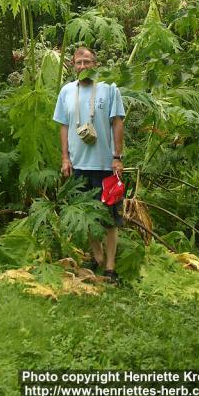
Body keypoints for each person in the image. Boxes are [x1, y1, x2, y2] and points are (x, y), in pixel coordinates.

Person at [53, 46, 125, 283]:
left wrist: (118, 157)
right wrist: (65, 158)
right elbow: (63, 126)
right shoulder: (66, 92)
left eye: (87, 62)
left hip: (105, 166)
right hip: (79, 165)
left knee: (109, 218)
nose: (82, 67)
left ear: (95, 64)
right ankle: (97, 256)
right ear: (73, 66)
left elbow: (117, 123)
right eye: (78, 63)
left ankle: (111, 268)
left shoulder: (109, 90)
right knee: (87, 215)